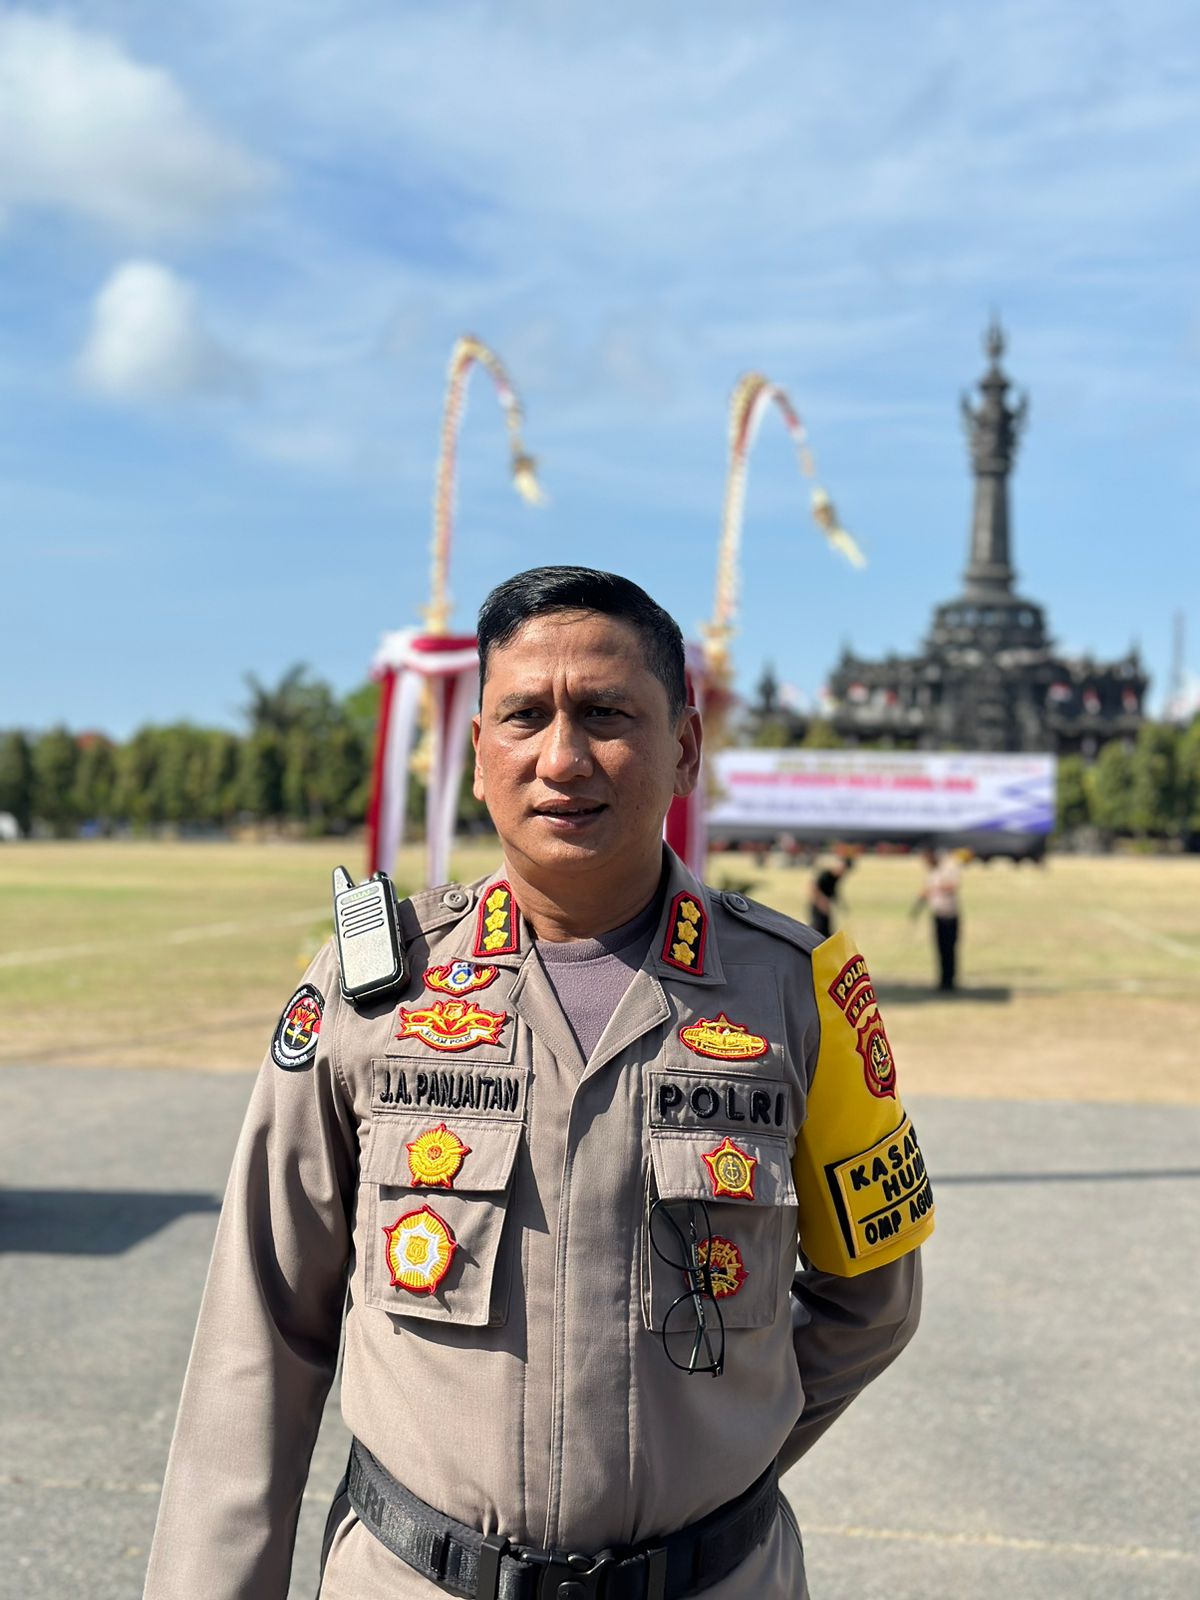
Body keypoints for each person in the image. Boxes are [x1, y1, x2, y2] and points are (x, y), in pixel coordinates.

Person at [144, 566, 933, 1600]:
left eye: (607, 714)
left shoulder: (799, 991)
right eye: (525, 716)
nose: (562, 757)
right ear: (479, 754)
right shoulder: (372, 990)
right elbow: (261, 1329)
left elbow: (873, 1301)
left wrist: (719, 1449)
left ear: (685, 747)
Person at [915, 847, 962, 992]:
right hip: (937, 914)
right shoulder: (932, 872)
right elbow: (926, 891)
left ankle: (950, 981)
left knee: (949, 949)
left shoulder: (948, 868)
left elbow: (953, 886)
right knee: (940, 949)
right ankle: (943, 980)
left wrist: (935, 888)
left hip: (949, 915)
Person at [807, 848, 852, 938]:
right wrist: (822, 901)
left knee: (827, 930)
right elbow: (813, 887)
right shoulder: (826, 875)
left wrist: (840, 903)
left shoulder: (836, 878)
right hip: (818, 904)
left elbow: (834, 891)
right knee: (817, 929)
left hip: (826, 905)